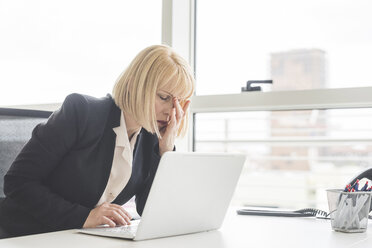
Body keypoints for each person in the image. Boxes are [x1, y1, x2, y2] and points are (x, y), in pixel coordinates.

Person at [0, 44, 195, 238]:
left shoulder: (150, 139)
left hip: (82, 239)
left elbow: (150, 210)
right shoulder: (82, 111)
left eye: (179, 102)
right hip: (28, 236)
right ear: (135, 85)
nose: (171, 111)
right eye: (164, 97)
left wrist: (165, 152)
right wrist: (84, 217)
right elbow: (17, 182)